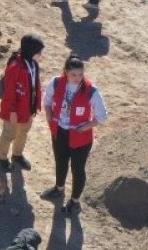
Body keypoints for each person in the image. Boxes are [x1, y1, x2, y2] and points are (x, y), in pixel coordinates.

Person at [40, 56, 107, 215]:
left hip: (80, 137)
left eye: (80, 74)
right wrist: (50, 117)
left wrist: (87, 127)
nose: (78, 78)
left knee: (78, 169)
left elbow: (102, 115)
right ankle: (59, 189)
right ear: (66, 72)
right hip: (60, 132)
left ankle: (75, 201)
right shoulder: (56, 82)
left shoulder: (91, 90)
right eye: (74, 75)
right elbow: (47, 100)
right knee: (60, 161)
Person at [0, 34, 45, 173]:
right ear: (30, 51)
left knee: (23, 132)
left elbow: (35, 85)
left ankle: (17, 155)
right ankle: (1, 158)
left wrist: (34, 107)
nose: (41, 55)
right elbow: (10, 91)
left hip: (27, 108)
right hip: (14, 109)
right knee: (9, 134)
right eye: (38, 52)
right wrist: (11, 111)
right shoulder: (15, 67)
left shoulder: (33, 64)